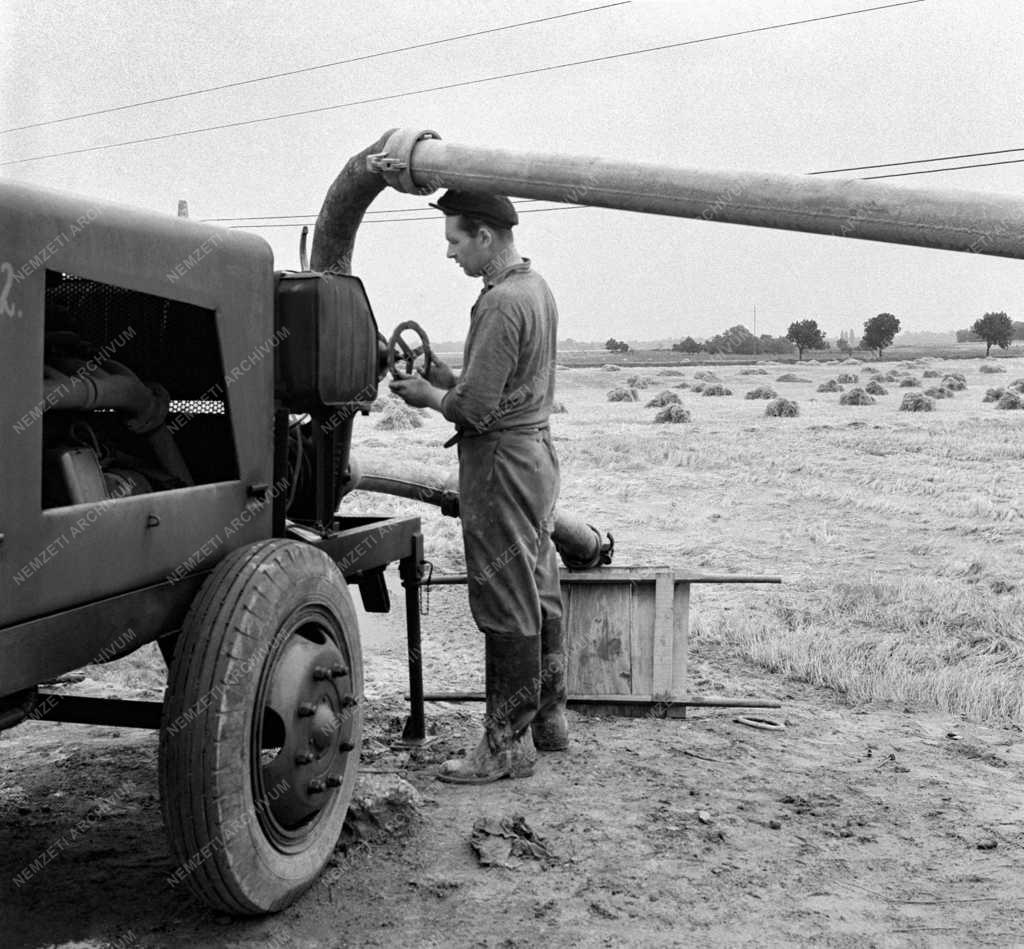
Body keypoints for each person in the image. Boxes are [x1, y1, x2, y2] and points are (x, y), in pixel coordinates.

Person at [389, 190, 566, 784]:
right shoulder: (534, 289)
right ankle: (549, 721)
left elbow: (477, 411)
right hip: (535, 455)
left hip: (499, 465)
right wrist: (447, 377)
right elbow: (501, 384)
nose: (449, 254)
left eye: (454, 240)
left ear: (485, 237)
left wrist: (431, 396)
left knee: (504, 599)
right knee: (538, 582)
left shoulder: (499, 304)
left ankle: (505, 746)